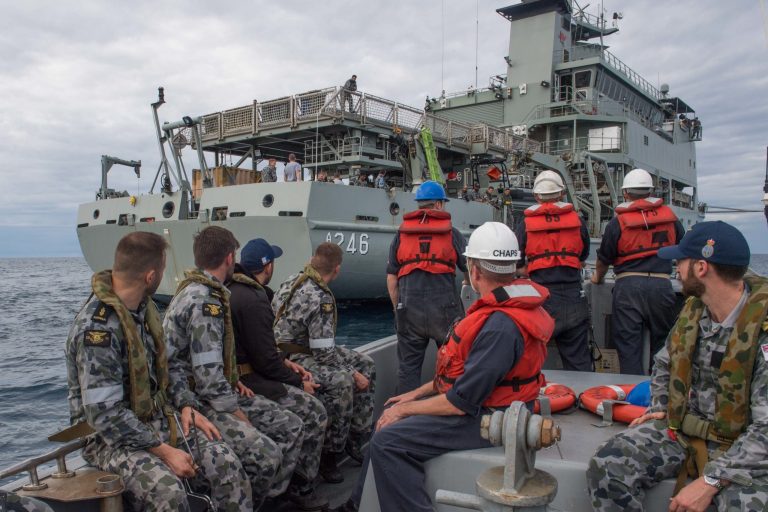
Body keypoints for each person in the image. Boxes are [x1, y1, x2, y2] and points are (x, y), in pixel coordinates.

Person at [336, 222, 554, 512]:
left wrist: (404, 410)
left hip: (493, 419)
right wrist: (415, 395)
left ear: (474, 271)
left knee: (389, 440)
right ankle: (355, 504)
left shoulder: (500, 327)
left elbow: (461, 403)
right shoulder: (507, 314)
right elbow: (462, 376)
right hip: (490, 405)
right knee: (391, 415)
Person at [587, 221, 768, 512]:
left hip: (747, 448)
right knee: (608, 464)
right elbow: (663, 364)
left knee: (744, 506)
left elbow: (766, 430)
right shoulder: (695, 312)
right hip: (683, 432)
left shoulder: (763, 330)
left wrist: (711, 479)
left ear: (701, 268)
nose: (676, 269)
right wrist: (660, 405)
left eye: (681, 261)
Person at [65, 232, 253, 511]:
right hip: (110, 438)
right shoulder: (97, 330)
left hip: (155, 420)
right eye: (163, 269)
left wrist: (187, 405)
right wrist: (164, 451)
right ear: (151, 276)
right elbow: (104, 414)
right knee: (168, 493)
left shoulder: (144, 310)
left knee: (225, 463)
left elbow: (169, 369)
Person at [163, 226, 300, 508]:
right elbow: (208, 378)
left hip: (208, 392)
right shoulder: (205, 302)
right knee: (268, 454)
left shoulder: (196, 290)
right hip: (199, 402)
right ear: (229, 258)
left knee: (288, 427)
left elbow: (205, 362)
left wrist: (231, 378)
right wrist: (238, 414)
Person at [229, 238, 329, 511]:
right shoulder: (254, 298)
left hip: (246, 375)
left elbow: (263, 350)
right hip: (250, 382)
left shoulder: (233, 290)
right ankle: (298, 489)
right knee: (313, 411)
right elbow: (264, 361)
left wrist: (287, 363)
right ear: (267, 266)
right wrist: (298, 381)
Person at [272, 242, 376, 484]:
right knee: (342, 382)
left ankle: (356, 435)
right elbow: (324, 355)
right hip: (295, 356)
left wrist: (356, 369)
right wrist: (352, 374)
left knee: (366, 363)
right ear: (336, 270)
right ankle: (332, 454)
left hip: (298, 349)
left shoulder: (292, 280)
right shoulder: (320, 297)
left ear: (312, 260)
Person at [591, 168, 685, 375]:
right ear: (651, 192)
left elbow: (604, 258)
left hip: (628, 288)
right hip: (662, 286)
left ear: (625, 193)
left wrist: (597, 277)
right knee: (663, 345)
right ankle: (660, 392)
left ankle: (632, 397)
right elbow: (683, 250)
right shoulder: (671, 219)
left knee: (627, 347)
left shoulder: (618, 223)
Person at [386, 180, 467, 393]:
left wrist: (398, 309)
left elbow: (392, 279)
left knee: (408, 368)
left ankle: (404, 417)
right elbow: (471, 268)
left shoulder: (401, 234)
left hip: (409, 309)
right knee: (453, 364)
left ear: (419, 204)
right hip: (445, 310)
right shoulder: (452, 233)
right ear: (439, 204)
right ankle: (448, 411)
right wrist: (467, 283)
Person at [516, 171, 592, 371]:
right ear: (561, 194)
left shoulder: (525, 224)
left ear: (536, 196)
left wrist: (528, 268)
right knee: (578, 362)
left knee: (532, 360)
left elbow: (515, 260)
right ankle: (580, 399)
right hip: (574, 298)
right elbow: (583, 254)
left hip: (541, 301)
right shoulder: (577, 221)